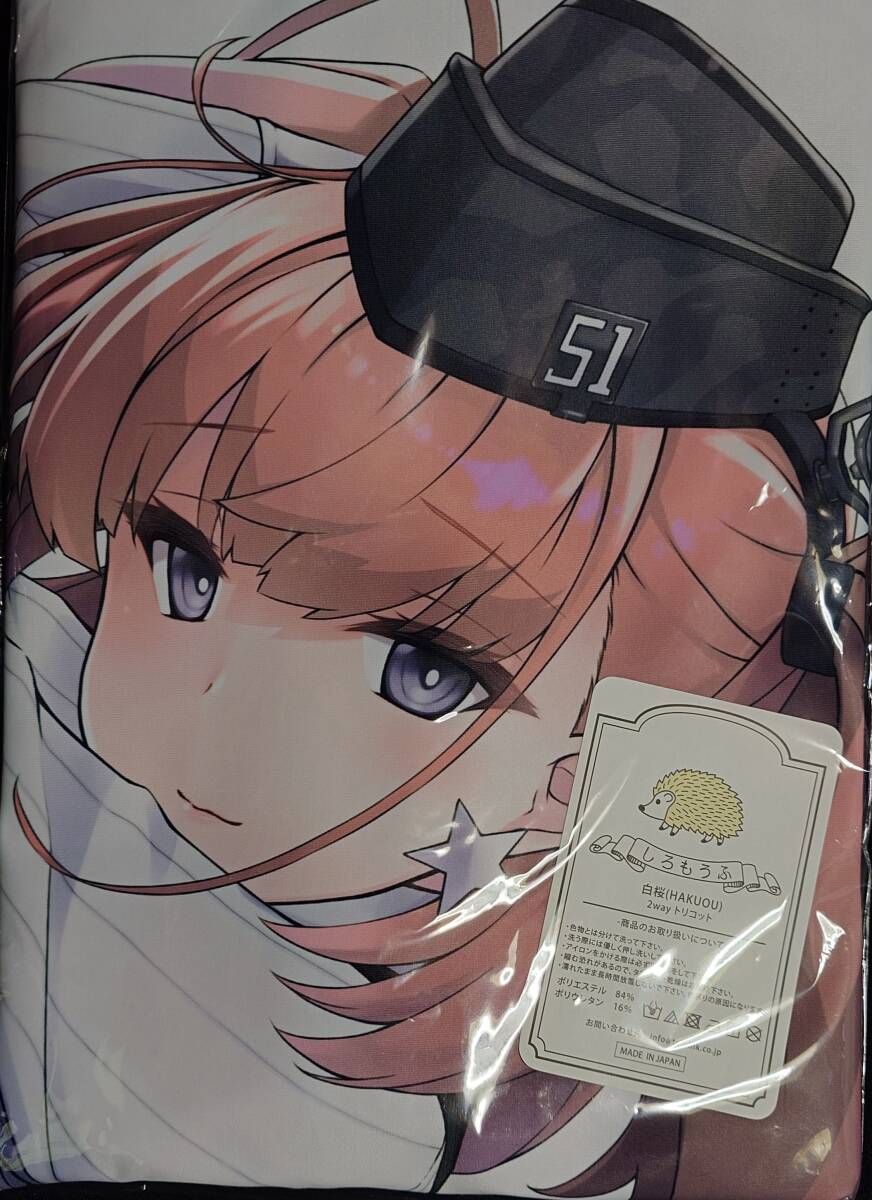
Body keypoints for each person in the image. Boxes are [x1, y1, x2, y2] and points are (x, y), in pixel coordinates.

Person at [3, 0, 866, 1194]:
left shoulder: (586, 965)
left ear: (596, 741)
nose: (219, 720)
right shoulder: (42, 711)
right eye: (183, 570)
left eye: (422, 672)